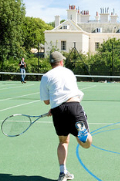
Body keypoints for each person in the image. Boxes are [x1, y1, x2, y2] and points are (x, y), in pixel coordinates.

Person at [40, 51, 92, 181]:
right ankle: (81, 132)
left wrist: (55, 107)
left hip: (58, 110)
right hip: (73, 106)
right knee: (86, 144)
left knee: (63, 141)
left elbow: (47, 101)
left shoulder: (46, 76)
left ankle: (63, 173)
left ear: (51, 63)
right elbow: (71, 92)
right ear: (61, 62)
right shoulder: (69, 72)